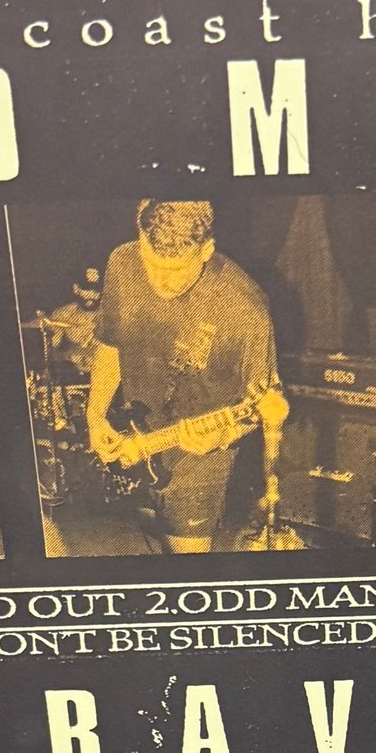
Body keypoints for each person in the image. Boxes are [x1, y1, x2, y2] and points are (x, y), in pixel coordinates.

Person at [88, 200, 279, 553]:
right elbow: (110, 342)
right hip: (135, 434)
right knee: (153, 538)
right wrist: (95, 413)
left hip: (198, 453)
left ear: (206, 250)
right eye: (152, 265)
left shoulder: (245, 308)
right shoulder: (123, 262)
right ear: (140, 239)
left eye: (177, 270)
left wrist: (222, 435)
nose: (161, 282)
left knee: (187, 561)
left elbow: (265, 405)